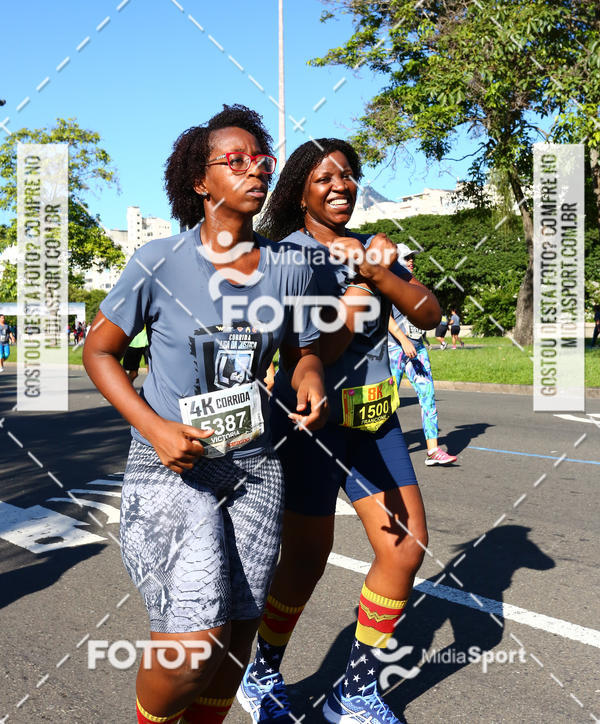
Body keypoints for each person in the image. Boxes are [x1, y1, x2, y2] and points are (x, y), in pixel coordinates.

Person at [83, 105, 327, 724]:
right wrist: (154, 428)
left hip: (253, 467)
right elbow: (100, 351)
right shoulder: (158, 261)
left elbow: (302, 348)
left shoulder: (287, 268)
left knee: (237, 636)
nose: (256, 171)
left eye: (263, 161)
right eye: (237, 160)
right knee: (194, 642)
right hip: (172, 467)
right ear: (200, 181)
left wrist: (309, 374)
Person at [238, 138, 441, 724]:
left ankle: (352, 692)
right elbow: (302, 355)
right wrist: (345, 313)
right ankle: (264, 672)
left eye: (348, 176)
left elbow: (426, 313)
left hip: (375, 421)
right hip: (309, 424)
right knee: (306, 561)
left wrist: (381, 274)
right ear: (300, 187)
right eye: (324, 177)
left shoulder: (372, 247)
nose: (339, 187)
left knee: (405, 549)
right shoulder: (281, 258)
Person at [387, 245, 457, 467]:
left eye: (412, 258)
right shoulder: (388, 283)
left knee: (428, 397)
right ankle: (379, 450)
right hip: (394, 349)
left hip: (418, 349)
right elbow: (384, 317)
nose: (411, 261)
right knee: (388, 402)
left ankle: (433, 450)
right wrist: (404, 340)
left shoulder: (413, 285)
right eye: (407, 258)